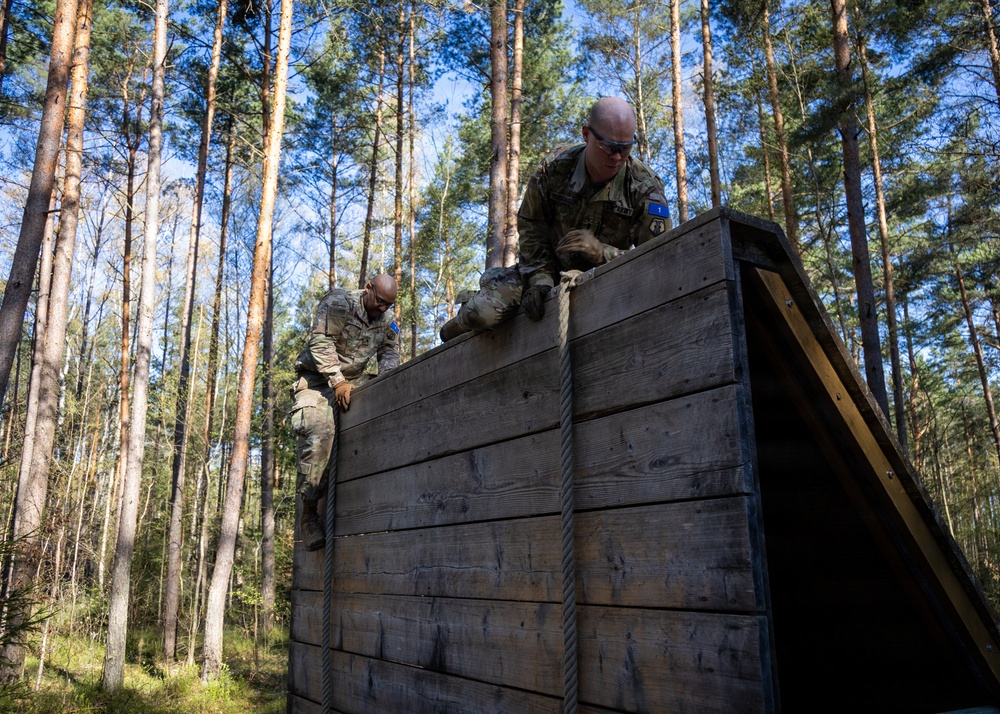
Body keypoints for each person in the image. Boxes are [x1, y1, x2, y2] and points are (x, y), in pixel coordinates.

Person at [517, 96, 670, 321]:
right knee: (487, 310)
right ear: (586, 134)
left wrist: (602, 252)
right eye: (609, 146)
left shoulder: (645, 190)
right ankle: (459, 322)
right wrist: (540, 280)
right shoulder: (555, 168)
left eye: (625, 148)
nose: (617, 156)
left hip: (610, 281)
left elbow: (659, 260)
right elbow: (531, 227)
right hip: (546, 270)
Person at [290, 273, 400, 551]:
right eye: (379, 302)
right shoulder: (339, 303)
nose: (382, 309)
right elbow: (320, 343)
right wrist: (337, 380)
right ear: (367, 289)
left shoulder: (387, 319)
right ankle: (309, 514)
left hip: (353, 381)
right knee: (320, 430)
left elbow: (389, 351)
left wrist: (388, 381)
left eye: (388, 304)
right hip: (317, 380)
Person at [439, 264, 523, 341]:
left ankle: (474, 300)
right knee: (474, 314)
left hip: (516, 279)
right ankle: (469, 304)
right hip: (513, 279)